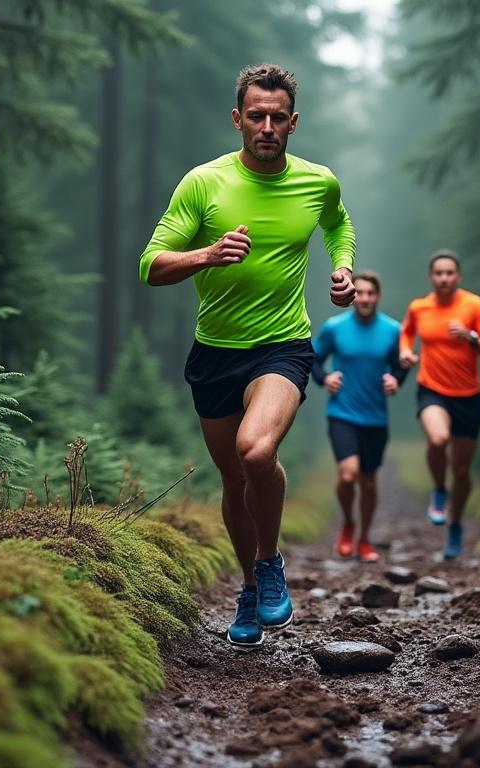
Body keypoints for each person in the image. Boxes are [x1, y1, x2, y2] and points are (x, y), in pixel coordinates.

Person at [138, 64, 356, 649]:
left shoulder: (318, 182)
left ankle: (268, 563)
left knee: (255, 451)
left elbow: (337, 225)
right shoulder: (204, 183)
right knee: (233, 477)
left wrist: (342, 268)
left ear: (293, 122)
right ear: (237, 119)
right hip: (214, 352)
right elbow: (151, 265)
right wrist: (206, 255)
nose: (266, 126)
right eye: (255, 115)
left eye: (277, 116)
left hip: (283, 345)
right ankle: (249, 588)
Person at [398, 250, 480, 560]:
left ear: (458, 276)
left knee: (461, 469)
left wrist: (470, 336)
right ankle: (438, 491)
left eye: (449, 273)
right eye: (438, 273)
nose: (444, 278)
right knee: (437, 438)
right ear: (431, 277)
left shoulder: (474, 305)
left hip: (468, 396)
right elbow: (406, 335)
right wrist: (406, 353)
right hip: (431, 389)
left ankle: (455, 525)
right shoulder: (420, 307)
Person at [311, 270, 407, 563]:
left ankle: (364, 538)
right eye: (360, 293)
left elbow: (401, 363)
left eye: (370, 293)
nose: (364, 298)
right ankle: (347, 523)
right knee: (348, 474)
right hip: (342, 412)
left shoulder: (393, 330)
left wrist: (396, 380)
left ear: (378, 296)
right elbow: (312, 358)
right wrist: (324, 379)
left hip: (375, 417)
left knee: (367, 481)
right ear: (353, 296)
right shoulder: (334, 328)